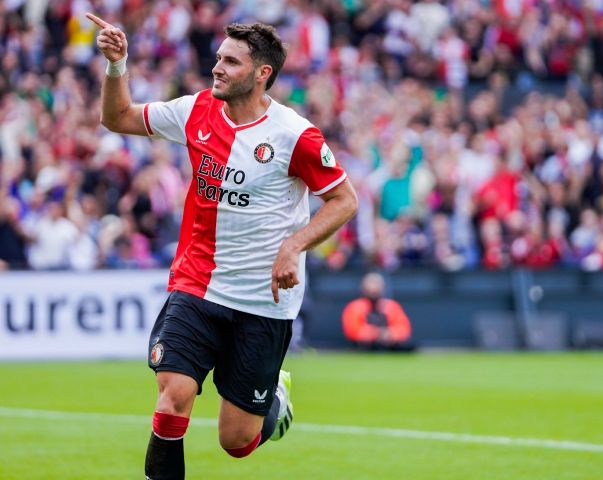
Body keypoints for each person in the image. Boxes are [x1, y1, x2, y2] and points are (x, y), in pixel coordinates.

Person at [87, 13, 358, 479]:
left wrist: (294, 245)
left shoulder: (295, 135)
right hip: (197, 283)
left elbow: (343, 199)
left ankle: (273, 396)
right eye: (218, 57)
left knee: (235, 442)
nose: (217, 67)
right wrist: (117, 65)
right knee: (174, 393)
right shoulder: (195, 111)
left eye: (230, 62)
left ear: (261, 73)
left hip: (262, 302)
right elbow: (117, 117)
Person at [342, 272, 414, 351]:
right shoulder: (355, 307)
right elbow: (352, 330)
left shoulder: (391, 306)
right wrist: (376, 334)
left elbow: (404, 328)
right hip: (366, 345)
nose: (374, 288)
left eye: (377, 284)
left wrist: (390, 334)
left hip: (389, 344)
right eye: (371, 284)